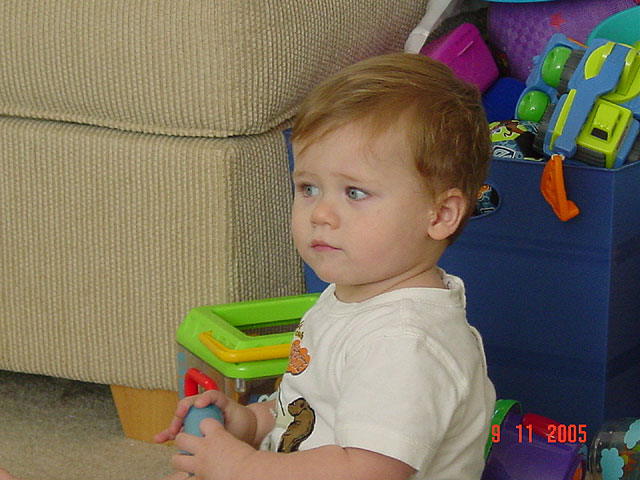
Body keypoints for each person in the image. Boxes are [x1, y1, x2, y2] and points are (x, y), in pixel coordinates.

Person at [0, 52, 496, 480]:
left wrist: (241, 466)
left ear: (439, 215)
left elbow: (366, 471)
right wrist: (249, 425)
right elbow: (302, 413)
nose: (321, 213)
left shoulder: (405, 342)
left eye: (355, 192)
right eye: (309, 188)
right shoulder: (352, 298)